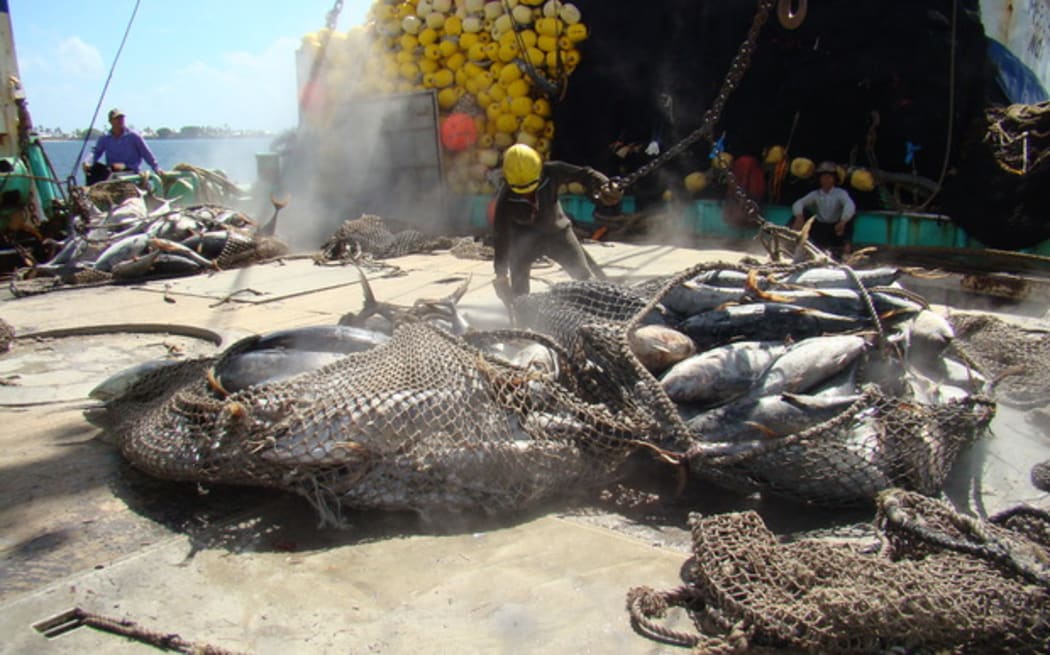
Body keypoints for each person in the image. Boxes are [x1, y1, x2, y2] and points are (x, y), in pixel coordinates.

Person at [493, 143, 621, 300]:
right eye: (522, 191)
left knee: (585, 280)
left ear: (539, 170)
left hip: (558, 234)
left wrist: (604, 184)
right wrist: (500, 273)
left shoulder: (552, 171)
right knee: (520, 295)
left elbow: (585, 174)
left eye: (532, 187)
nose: (528, 194)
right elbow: (500, 233)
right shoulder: (505, 197)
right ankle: (522, 319)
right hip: (523, 241)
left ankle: (598, 308)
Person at [791, 160, 856, 256]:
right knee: (802, 214)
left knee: (850, 219)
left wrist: (843, 221)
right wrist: (799, 216)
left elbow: (850, 205)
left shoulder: (840, 193)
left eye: (829, 177)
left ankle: (846, 249)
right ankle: (792, 242)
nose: (826, 180)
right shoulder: (816, 194)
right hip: (820, 228)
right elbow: (799, 203)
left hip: (836, 228)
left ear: (834, 179)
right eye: (823, 177)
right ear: (819, 179)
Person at [83, 108, 163, 184]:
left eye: (122, 117)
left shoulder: (133, 136)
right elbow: (96, 152)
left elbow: (146, 153)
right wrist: (88, 162)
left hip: (130, 170)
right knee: (93, 170)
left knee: (115, 172)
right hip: (112, 170)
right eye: (117, 118)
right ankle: (90, 194)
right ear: (110, 121)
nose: (120, 120)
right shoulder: (105, 138)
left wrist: (156, 168)